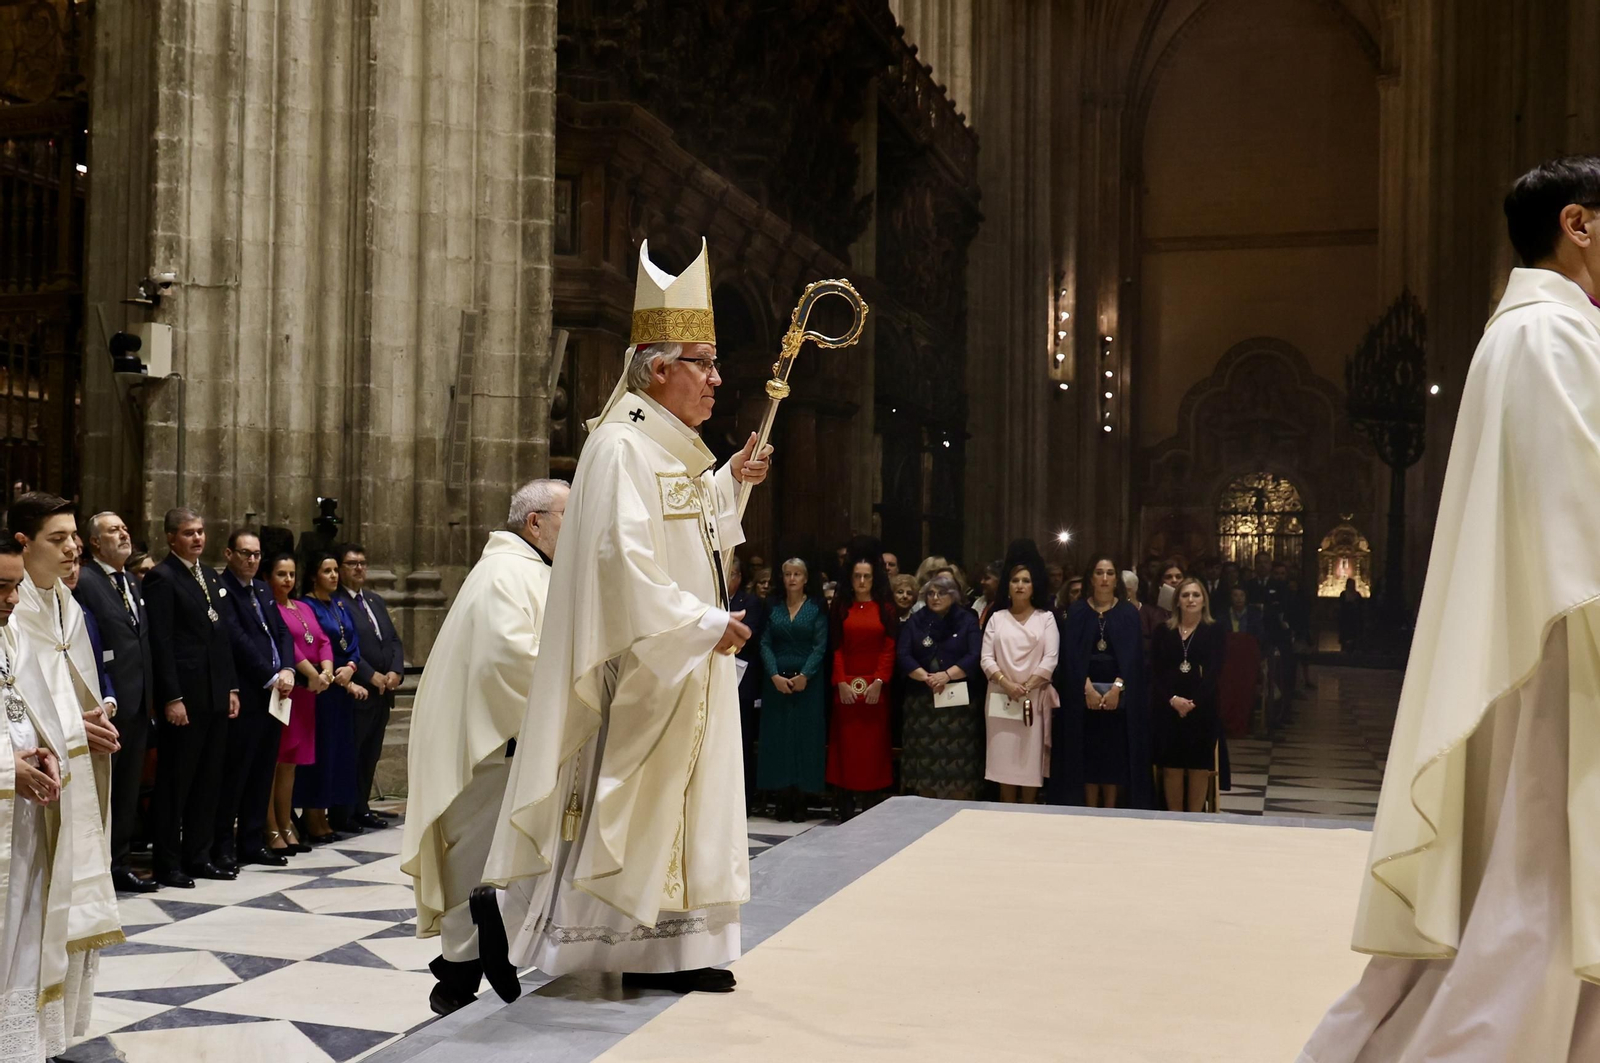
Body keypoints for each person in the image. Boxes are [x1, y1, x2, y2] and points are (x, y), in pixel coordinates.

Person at [1298, 156, 1600, 1062]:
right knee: (1538, 871)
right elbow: (1579, 499)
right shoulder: (1550, 337)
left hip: (1549, 638)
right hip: (1559, 650)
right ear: (1579, 225)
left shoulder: (1537, 333)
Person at [480, 237, 772, 999]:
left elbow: (693, 532)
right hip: (646, 666)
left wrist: (730, 486)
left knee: (691, 804)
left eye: (715, 363)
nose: (718, 378)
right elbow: (623, 565)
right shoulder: (617, 446)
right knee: (633, 809)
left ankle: (678, 948)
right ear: (659, 368)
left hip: (686, 661)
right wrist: (702, 623)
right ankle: (601, 942)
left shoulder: (674, 450)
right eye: (703, 363)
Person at [401, 478, 567, 1016]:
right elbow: (509, 659)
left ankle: (463, 974)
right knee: (481, 864)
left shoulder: (524, 569)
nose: (579, 526)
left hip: (501, 741)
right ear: (535, 521)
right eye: (570, 515)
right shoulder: (506, 573)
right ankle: (456, 978)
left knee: (500, 864)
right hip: (492, 747)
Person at [6, 498, 123, 1042]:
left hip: (71, 780)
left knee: (62, 906)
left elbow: (74, 688)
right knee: (27, 916)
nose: (73, 547)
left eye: (74, 536)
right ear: (24, 544)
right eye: (58, 538)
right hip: (25, 790)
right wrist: (76, 730)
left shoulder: (66, 607)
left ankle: (46, 1038)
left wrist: (99, 718)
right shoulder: (13, 612)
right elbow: (17, 702)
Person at [0, 537, 87, 1057]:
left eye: (14, 586)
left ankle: (16, 1044)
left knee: (23, 923)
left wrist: (48, 750)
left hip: (24, 812)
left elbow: (30, 706)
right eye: (1, 587)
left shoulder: (10, 638)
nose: (11, 598)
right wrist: (9, 767)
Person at [144, 507, 242, 887]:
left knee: (208, 780)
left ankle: (199, 856)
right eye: (188, 533)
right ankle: (168, 863)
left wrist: (231, 687)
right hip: (185, 696)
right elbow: (162, 642)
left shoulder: (211, 575)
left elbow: (222, 638)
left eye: (200, 532)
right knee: (176, 782)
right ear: (171, 538)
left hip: (215, 694)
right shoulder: (161, 578)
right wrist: (171, 697)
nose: (197, 538)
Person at [76, 510, 157, 893]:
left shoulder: (131, 583)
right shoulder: (87, 582)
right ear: (95, 542)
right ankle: (97, 866)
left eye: (125, 528)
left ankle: (119, 861)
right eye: (114, 530)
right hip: (106, 704)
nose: (124, 534)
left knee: (127, 788)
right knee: (103, 789)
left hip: (137, 702)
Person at [215, 530, 296, 870]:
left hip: (275, 693)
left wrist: (289, 668)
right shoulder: (224, 590)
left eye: (256, 554)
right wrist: (270, 675)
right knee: (236, 773)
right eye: (245, 553)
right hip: (248, 691)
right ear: (229, 553)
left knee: (263, 770)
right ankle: (224, 846)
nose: (251, 560)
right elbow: (236, 638)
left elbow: (281, 632)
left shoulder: (262, 589)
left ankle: (253, 840)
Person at [1051, 554, 1150, 809]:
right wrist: (1087, 689)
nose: (1104, 578)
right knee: (1088, 755)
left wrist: (1117, 688)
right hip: (1084, 696)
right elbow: (1070, 656)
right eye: (1099, 572)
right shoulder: (1078, 611)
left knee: (1114, 756)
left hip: (1119, 698)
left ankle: (1111, 810)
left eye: (1109, 573)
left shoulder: (1128, 613)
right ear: (1090, 578)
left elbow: (1133, 658)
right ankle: (1089, 809)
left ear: (1116, 578)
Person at [295, 552, 367, 843]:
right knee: (320, 753)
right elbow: (317, 643)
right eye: (327, 571)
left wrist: (351, 666)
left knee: (338, 754)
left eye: (336, 570)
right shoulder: (307, 605)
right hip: (322, 691)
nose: (335, 575)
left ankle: (325, 812)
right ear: (314, 575)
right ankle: (312, 813)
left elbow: (352, 642)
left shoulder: (339, 604)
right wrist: (338, 674)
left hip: (341, 691)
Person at [334, 543, 405, 832]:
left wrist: (395, 671)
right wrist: (370, 674)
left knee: (370, 754)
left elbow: (392, 641)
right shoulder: (337, 603)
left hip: (382, 692)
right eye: (352, 563)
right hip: (358, 690)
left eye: (362, 562)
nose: (360, 568)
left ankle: (362, 807)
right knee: (351, 753)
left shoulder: (374, 600)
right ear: (339, 569)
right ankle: (343, 813)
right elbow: (344, 646)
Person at [982, 542, 1059, 804]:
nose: (1020, 585)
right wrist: (1007, 684)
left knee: (1028, 765)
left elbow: (1050, 659)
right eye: (1015, 580)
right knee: (1004, 764)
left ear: (1034, 585)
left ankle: (1030, 815)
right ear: (1008, 585)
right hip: (1002, 698)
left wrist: (1025, 686)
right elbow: (986, 659)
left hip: (1032, 699)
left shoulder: (1045, 617)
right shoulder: (997, 618)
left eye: (1026, 580)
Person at [826, 544, 897, 820]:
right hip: (845, 688)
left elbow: (889, 647)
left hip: (874, 690)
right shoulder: (842, 607)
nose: (862, 582)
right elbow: (836, 647)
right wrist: (841, 681)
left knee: (872, 752)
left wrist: (879, 680)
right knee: (846, 750)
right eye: (857, 576)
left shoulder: (885, 608)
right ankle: (845, 807)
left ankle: (870, 808)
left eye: (867, 576)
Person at [898, 574, 982, 800]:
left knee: (958, 764)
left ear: (953, 595)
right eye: (930, 594)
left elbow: (974, 655)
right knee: (925, 764)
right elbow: (903, 654)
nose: (935, 598)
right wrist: (926, 677)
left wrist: (946, 675)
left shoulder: (966, 620)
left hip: (957, 707)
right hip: (922, 702)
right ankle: (925, 810)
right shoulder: (916, 620)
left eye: (941, 593)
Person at [757, 558, 828, 821]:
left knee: (805, 736)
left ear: (806, 578)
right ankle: (781, 795)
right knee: (778, 736)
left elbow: (820, 645)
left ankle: (802, 798)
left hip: (808, 682)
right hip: (776, 680)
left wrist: (805, 674)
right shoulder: (772, 606)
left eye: (797, 574)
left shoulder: (816, 606)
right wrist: (774, 674)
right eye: (787, 574)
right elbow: (764, 642)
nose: (792, 579)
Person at [267, 554, 327, 855]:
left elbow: (322, 640)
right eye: (281, 574)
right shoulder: (270, 608)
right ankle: (271, 827)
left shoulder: (303, 606)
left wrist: (326, 670)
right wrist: (314, 674)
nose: (287, 580)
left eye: (291, 574)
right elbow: (288, 646)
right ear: (270, 577)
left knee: (290, 765)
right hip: (286, 690)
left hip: (307, 696)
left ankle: (287, 823)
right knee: (274, 763)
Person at [1151, 578, 1224, 813]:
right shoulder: (1164, 631)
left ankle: (1195, 820)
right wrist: (1173, 700)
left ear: (1204, 601)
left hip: (1201, 708)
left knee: (1198, 767)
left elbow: (1214, 671)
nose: (1190, 600)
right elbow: (1155, 671)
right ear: (1177, 601)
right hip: (1168, 708)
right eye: (1185, 595)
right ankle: (1174, 819)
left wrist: (1193, 703)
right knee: (1171, 767)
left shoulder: (1214, 630)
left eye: (1196, 595)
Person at [727, 556, 768, 810]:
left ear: (739, 577)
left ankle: (744, 798)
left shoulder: (750, 603)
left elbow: (748, 635)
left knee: (742, 740)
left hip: (741, 680)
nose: (726, 578)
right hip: (714, 681)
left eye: (731, 573)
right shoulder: (710, 601)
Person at [1218, 586, 1264, 738]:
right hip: (1228, 660)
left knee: (1246, 691)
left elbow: (1259, 636)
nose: (1238, 599)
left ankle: (1245, 724)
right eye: (1235, 595)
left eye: (1241, 595)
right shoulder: (1222, 615)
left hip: (1247, 660)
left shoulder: (1255, 615)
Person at [1337, 577, 1364, 650]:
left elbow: (1361, 605)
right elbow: (1341, 605)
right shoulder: (1343, 594)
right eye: (1351, 584)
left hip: (1354, 617)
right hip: (1346, 616)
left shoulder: (1357, 594)